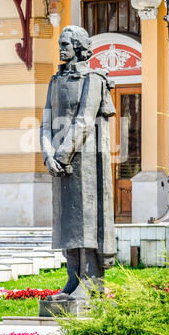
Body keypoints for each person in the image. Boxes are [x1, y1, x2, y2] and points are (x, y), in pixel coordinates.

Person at [40, 25, 116, 302]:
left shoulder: (93, 79)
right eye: (60, 44)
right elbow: (46, 122)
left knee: (85, 221)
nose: (61, 49)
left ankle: (90, 282)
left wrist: (61, 155)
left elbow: (84, 120)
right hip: (60, 165)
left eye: (66, 45)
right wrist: (47, 154)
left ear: (80, 48)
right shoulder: (55, 81)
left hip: (85, 162)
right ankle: (72, 280)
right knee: (67, 222)